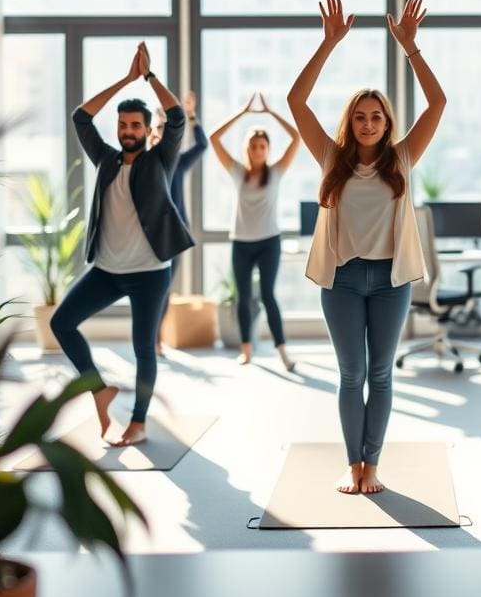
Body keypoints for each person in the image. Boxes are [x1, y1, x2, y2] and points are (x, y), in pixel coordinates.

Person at [287, 0, 445, 494]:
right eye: (361, 116)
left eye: (377, 116)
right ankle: (350, 462)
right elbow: (296, 102)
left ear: (387, 122)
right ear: (350, 122)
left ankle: (371, 466)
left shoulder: (401, 159)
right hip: (344, 279)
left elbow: (438, 103)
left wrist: (411, 48)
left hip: (390, 279)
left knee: (381, 374)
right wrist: (328, 43)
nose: (369, 123)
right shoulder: (331, 158)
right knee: (349, 374)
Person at [51, 43, 192, 446]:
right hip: (107, 272)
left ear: (148, 131)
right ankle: (99, 389)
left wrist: (148, 78)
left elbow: (178, 116)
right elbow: (81, 117)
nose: (128, 131)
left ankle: (138, 422)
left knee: (143, 348)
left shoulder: (160, 160)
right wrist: (126, 80)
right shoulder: (107, 159)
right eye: (123, 125)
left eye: (135, 126)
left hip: (149, 274)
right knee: (62, 323)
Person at [209, 92, 300, 370]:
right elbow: (214, 138)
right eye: (254, 146)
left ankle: (282, 350)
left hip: (269, 242)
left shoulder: (276, 172)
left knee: (268, 296)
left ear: (267, 149)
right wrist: (243, 113)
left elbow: (296, 137)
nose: (258, 150)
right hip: (242, 243)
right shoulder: (237, 171)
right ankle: (246, 349)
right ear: (247, 149)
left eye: (263, 146)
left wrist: (270, 113)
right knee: (244, 297)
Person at [151, 90, 208, 356]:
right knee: (149, 289)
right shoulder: (143, 161)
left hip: (174, 236)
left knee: (164, 288)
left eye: (168, 127)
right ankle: (150, 337)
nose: (165, 131)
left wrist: (191, 116)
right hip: (148, 236)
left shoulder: (179, 161)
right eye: (160, 127)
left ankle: (156, 338)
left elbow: (202, 146)